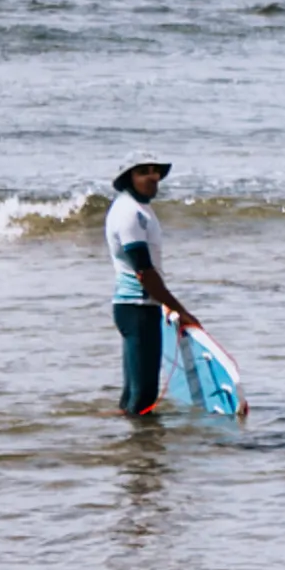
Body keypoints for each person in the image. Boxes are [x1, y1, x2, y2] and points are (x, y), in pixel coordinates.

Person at [103, 161, 204, 419]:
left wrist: (164, 304)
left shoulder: (139, 209)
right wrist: (180, 310)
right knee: (144, 394)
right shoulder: (129, 214)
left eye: (155, 171)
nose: (153, 177)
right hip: (136, 307)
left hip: (139, 307)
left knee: (133, 393)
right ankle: (143, 454)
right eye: (143, 172)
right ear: (128, 179)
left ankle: (133, 447)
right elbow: (144, 272)